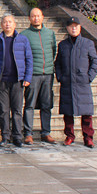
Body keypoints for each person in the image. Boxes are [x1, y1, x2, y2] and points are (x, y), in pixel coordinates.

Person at [0, 13, 33, 148]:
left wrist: (27, 77)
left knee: (17, 110)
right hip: (2, 80)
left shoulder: (23, 40)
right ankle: (5, 136)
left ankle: (17, 136)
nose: (7, 24)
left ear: (15, 24)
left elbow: (29, 59)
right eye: (5, 22)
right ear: (1, 25)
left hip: (17, 80)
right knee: (3, 110)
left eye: (10, 22)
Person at [55, 17, 97, 148]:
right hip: (67, 83)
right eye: (71, 26)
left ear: (80, 27)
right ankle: (69, 136)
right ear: (67, 28)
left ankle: (88, 138)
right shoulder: (63, 45)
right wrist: (60, 77)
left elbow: (95, 61)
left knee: (87, 113)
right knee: (68, 113)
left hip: (82, 83)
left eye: (76, 26)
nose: (73, 28)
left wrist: (89, 77)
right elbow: (58, 63)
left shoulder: (88, 43)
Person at [20, 8, 57, 145]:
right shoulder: (24, 35)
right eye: (33, 16)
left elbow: (53, 51)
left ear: (42, 17)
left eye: (38, 16)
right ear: (29, 18)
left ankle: (45, 132)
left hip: (48, 74)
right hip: (33, 74)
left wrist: (49, 67)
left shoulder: (50, 33)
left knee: (46, 104)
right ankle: (28, 133)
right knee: (29, 104)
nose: (36, 18)